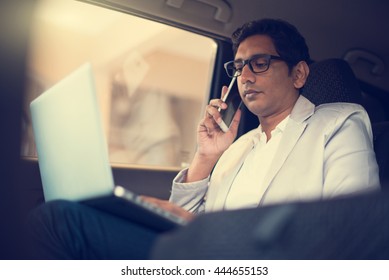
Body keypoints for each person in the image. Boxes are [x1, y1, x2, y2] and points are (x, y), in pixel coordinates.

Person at [26, 18, 380, 259]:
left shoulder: (338, 123)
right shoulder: (239, 146)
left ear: (299, 73)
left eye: (259, 63)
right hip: (201, 258)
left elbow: (348, 228)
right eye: (239, 67)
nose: (245, 76)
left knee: (62, 220)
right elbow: (187, 219)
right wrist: (205, 159)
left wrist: (213, 230)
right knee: (60, 212)